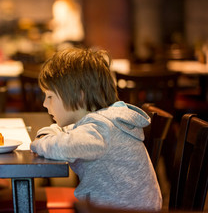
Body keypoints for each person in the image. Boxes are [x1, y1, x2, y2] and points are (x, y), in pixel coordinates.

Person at [30, 47, 162, 211]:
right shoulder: (105, 121)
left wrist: (39, 143)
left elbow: (64, 146)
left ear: (79, 95)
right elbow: (68, 133)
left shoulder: (101, 128)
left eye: (49, 96)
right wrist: (49, 133)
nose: (44, 103)